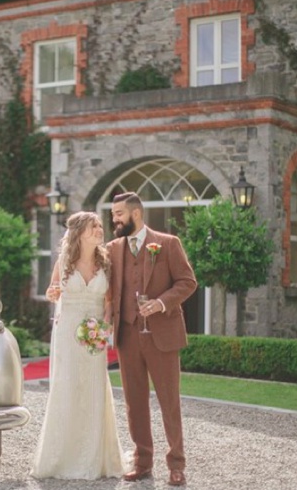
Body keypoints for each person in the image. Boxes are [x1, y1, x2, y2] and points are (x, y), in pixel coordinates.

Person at [107, 192, 197, 487]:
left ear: (135, 214)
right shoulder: (112, 249)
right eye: (112, 215)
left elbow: (187, 282)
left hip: (162, 333)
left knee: (169, 401)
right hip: (128, 334)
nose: (114, 220)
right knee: (134, 402)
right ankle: (142, 462)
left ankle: (177, 464)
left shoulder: (168, 244)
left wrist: (161, 303)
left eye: (118, 214)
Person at [31, 211, 126, 480]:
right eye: (94, 226)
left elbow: (108, 302)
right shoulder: (64, 261)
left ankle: (93, 459)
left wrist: (104, 327)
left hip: (94, 333)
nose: (100, 229)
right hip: (67, 332)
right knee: (68, 386)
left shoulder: (105, 262)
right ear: (81, 232)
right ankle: (62, 457)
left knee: (94, 388)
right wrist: (52, 293)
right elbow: (53, 291)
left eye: (99, 225)